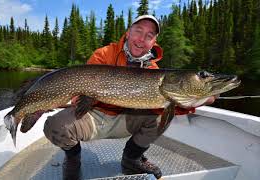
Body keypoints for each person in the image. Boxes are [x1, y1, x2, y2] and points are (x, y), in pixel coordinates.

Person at [43, 15, 217, 180]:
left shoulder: (154, 72)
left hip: (127, 119)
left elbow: (172, 103)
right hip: (97, 115)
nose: (142, 39)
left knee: (162, 116)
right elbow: (83, 90)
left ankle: (132, 158)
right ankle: (73, 159)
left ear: (153, 43)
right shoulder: (104, 54)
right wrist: (75, 98)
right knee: (55, 125)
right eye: (138, 31)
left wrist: (198, 100)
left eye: (149, 35)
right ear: (128, 32)